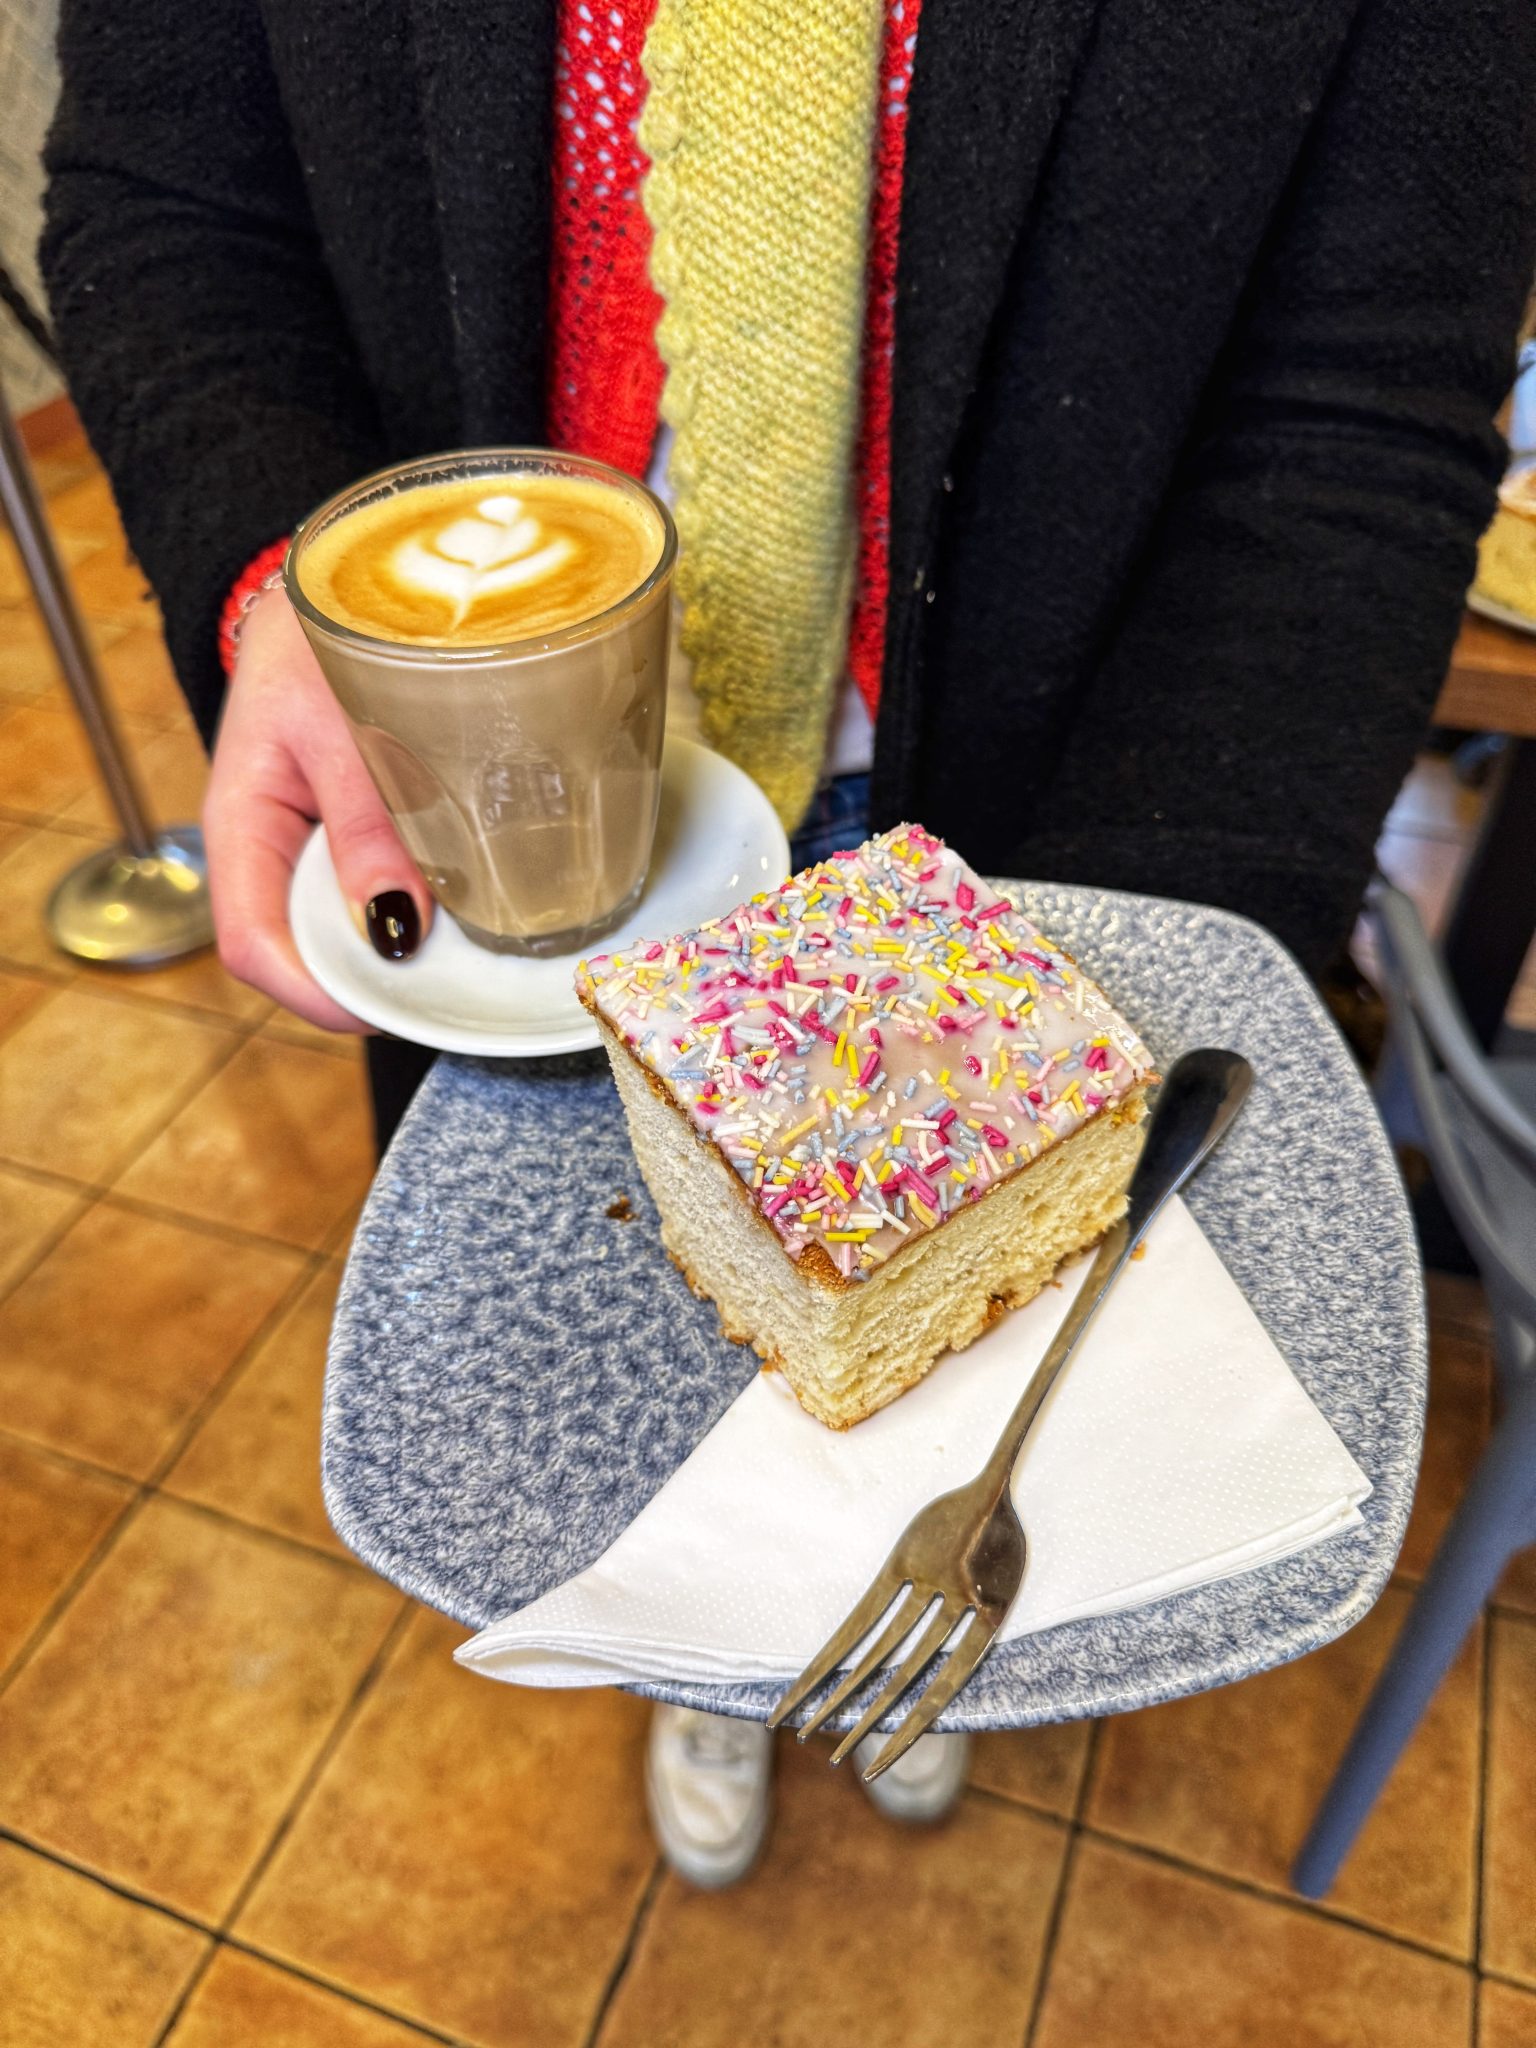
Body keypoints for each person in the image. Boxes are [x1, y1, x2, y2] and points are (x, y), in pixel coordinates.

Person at [41, 0, 1536, 1890]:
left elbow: (1361, 392)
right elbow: (170, 205)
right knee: (647, 1360)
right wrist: (288, 588)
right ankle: (713, 1655)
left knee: (935, 1346)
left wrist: (1126, 958)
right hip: (499, 820)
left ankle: (877, 1602)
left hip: (1049, 796)